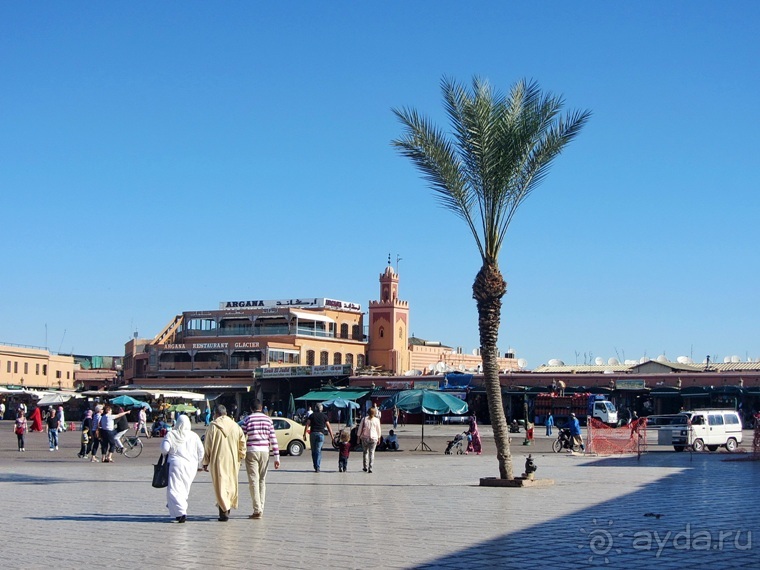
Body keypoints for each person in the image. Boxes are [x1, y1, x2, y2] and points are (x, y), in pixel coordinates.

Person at [202, 405, 246, 522]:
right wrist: (241, 456)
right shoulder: (235, 426)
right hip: (232, 459)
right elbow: (242, 442)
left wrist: (206, 461)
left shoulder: (213, 426)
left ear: (216, 414)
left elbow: (207, 445)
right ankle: (227, 507)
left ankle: (224, 510)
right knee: (231, 484)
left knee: (220, 484)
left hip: (218, 459)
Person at [240, 399, 280, 519]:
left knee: (253, 480)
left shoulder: (248, 419)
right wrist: (277, 457)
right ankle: (261, 507)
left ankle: (257, 509)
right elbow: (273, 438)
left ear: (251, 409)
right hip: (265, 452)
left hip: (251, 451)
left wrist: (240, 454)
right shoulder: (268, 420)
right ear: (261, 408)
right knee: (262, 480)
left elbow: (242, 437)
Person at [161, 414, 204, 523]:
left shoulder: (172, 434)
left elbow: (164, 449)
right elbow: (201, 451)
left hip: (176, 465)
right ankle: (178, 510)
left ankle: (181, 511)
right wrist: (199, 463)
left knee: (174, 489)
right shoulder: (194, 435)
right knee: (184, 489)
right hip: (191, 466)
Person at [303, 403, 334, 473]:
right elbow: (329, 426)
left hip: (313, 434)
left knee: (313, 451)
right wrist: (332, 436)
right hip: (321, 435)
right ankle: (317, 466)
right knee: (318, 451)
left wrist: (304, 434)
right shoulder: (324, 416)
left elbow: (307, 425)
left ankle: (315, 465)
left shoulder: (311, 416)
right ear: (322, 409)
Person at [358, 406, 381, 473]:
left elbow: (360, 429)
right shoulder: (377, 420)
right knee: (372, 452)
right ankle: (370, 467)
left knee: (365, 452)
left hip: (365, 437)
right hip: (374, 438)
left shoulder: (364, 419)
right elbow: (378, 430)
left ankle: (365, 467)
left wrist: (358, 437)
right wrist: (379, 437)